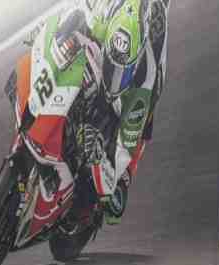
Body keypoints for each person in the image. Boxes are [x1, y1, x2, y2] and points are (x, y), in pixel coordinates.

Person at [49, 0, 169, 218]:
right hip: (109, 29)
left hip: (144, 63)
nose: (115, 78)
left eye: (122, 72)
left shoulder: (145, 79)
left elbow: (126, 145)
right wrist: (52, 34)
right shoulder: (98, 15)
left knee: (141, 124)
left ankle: (125, 178)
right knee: (69, 39)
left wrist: (103, 161)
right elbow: (71, 12)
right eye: (113, 69)